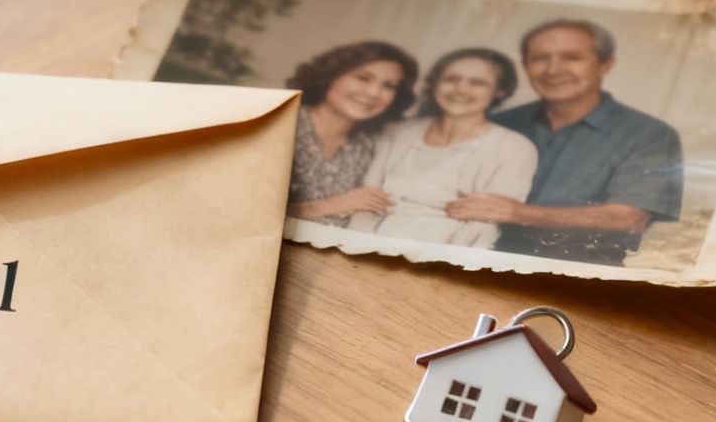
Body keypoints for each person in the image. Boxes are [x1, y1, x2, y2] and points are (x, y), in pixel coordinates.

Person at [448, 18, 683, 265]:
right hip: (476, 260)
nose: (553, 70)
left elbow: (628, 218)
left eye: (572, 57)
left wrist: (518, 213)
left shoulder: (649, 134)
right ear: (526, 66)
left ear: (605, 65)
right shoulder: (498, 123)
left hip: (573, 274)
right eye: (539, 58)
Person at [348, 48, 537, 247]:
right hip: (369, 242)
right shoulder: (396, 132)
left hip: (444, 254)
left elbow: (482, 228)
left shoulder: (515, 148)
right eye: (451, 79)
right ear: (435, 83)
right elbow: (366, 202)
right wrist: (358, 248)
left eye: (477, 83)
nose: (460, 89)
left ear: (500, 91)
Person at [282, 40, 418, 223]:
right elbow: (244, 210)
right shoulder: (281, 124)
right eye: (363, 78)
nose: (373, 92)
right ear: (329, 76)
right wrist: (330, 205)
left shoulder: (367, 145)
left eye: (389, 86)